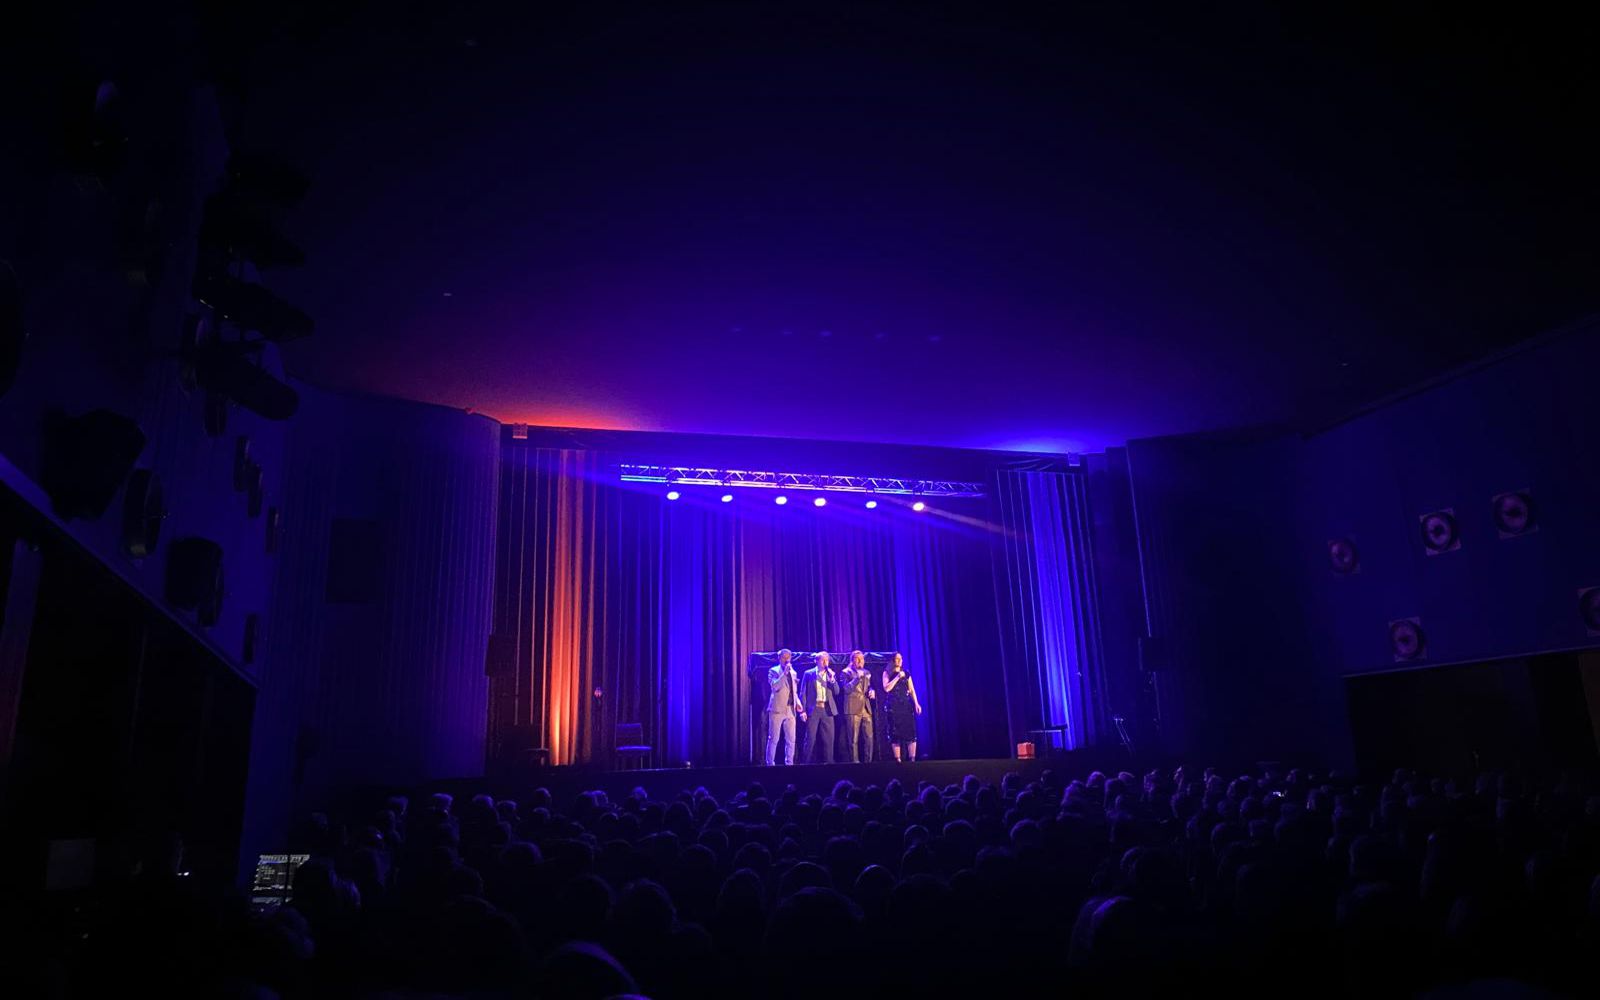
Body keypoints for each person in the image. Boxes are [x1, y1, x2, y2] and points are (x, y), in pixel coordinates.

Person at [765, 649, 806, 766]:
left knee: (791, 739)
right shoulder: (773, 671)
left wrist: (798, 703)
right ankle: (770, 764)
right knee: (774, 738)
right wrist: (784, 673)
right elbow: (775, 686)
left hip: (790, 709)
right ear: (779, 658)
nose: (787, 660)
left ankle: (789, 764)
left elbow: (794, 691)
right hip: (777, 709)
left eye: (788, 657)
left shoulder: (793, 672)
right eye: (784, 657)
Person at [880, 651, 921, 762]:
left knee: (910, 731)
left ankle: (912, 759)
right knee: (896, 733)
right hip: (894, 706)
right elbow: (887, 688)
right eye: (897, 658)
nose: (899, 660)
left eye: (901, 658)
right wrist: (897, 677)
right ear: (893, 660)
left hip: (906, 705)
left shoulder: (906, 673)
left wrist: (916, 703)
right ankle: (898, 759)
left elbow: (911, 690)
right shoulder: (887, 673)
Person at [800, 651, 840, 763]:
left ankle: (829, 763)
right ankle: (805, 764)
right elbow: (803, 693)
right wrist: (802, 711)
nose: (825, 663)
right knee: (810, 739)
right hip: (813, 709)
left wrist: (832, 680)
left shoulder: (830, 674)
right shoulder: (808, 674)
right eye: (823, 660)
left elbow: (837, 691)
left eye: (827, 660)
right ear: (816, 661)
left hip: (827, 710)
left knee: (829, 739)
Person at [840, 650, 876, 762]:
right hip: (852, 708)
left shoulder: (866, 672)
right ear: (852, 660)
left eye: (862, 659)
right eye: (858, 659)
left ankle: (868, 763)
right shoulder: (845, 672)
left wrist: (871, 690)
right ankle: (855, 764)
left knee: (869, 738)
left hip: (866, 707)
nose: (861, 661)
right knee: (853, 739)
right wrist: (856, 678)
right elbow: (846, 689)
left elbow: (868, 686)